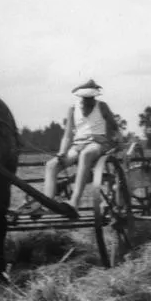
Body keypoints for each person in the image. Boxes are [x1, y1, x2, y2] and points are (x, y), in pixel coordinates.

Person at [36, 79, 122, 218]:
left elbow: (114, 127)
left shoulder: (102, 106)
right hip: (78, 144)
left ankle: (74, 203)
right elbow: (68, 135)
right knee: (51, 165)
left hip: (97, 142)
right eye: (86, 98)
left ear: (95, 96)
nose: (89, 101)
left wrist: (118, 142)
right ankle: (49, 204)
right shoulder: (72, 109)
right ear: (80, 96)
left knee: (86, 154)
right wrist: (62, 152)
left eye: (91, 98)